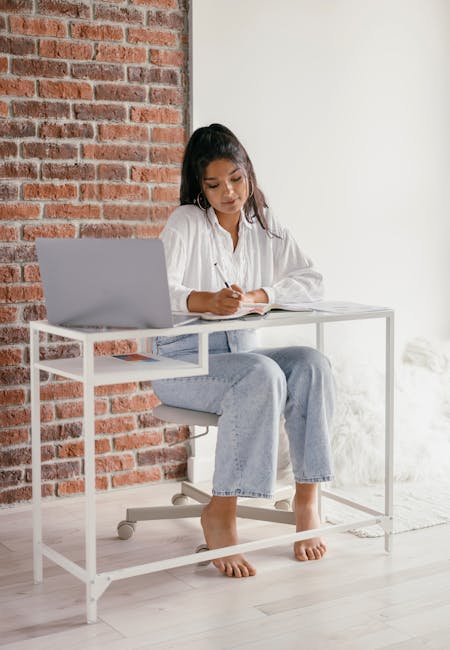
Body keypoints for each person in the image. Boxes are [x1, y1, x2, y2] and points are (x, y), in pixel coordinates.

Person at [151, 124, 334, 578]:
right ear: (200, 187)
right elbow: (155, 288)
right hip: (183, 361)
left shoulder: (266, 225)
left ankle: (307, 500)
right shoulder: (185, 223)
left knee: (312, 365)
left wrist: (258, 295)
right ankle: (221, 511)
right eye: (213, 185)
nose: (228, 192)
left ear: (247, 172)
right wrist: (204, 300)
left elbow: (311, 280)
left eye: (235, 178)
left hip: (243, 356)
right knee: (261, 374)